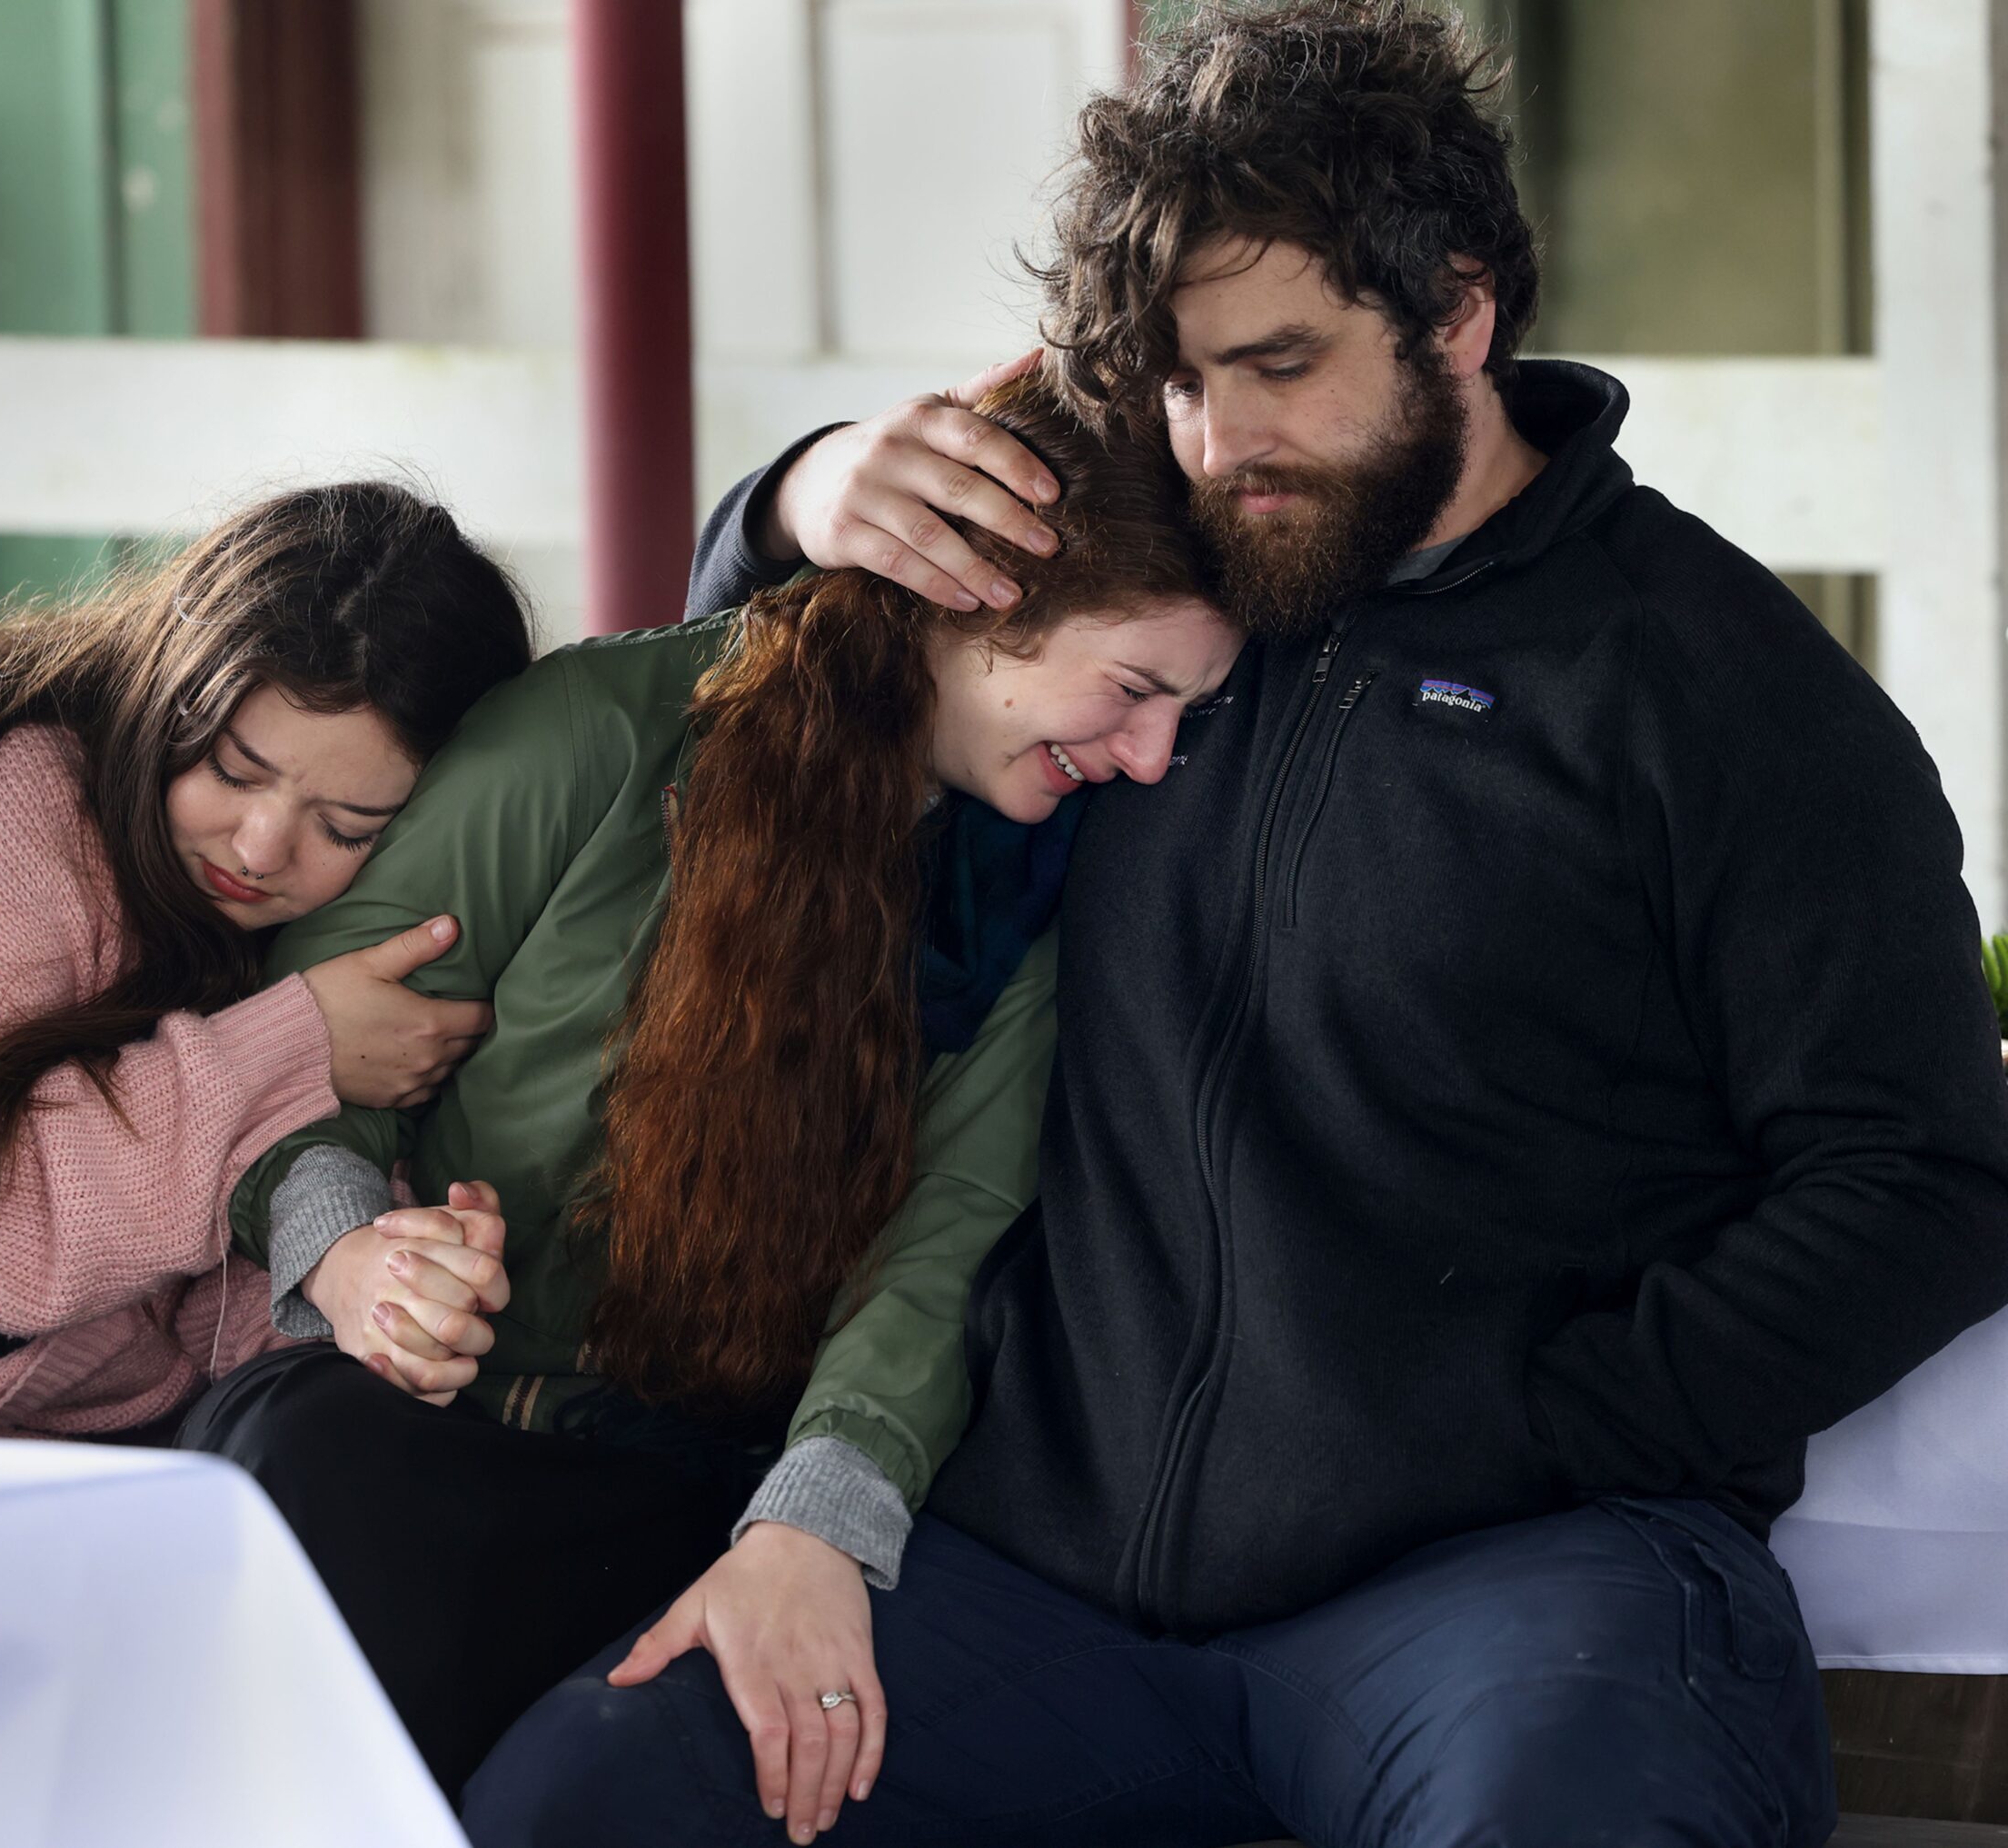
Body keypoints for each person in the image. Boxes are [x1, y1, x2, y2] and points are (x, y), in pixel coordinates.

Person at [464, 6, 2008, 1845]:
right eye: (1177, 381)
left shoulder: (1715, 688)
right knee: (587, 1799)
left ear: (1456, 311)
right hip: (1034, 1566)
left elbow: (1924, 1176)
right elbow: (791, 708)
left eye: (1278, 363)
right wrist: (792, 501)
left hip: (1508, 1582)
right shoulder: (1153, 559)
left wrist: (1552, 1422)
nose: (1216, 439)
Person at [177, 373, 1238, 1794]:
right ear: (982, 598)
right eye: (1135, 689)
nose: (1152, 757)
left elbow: (943, 1252)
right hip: (454, 1429)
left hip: (708, 1485)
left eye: (1188, 712)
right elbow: (308, 1044)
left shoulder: (1025, 903)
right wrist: (356, 1254)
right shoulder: (604, 732)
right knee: (292, 1452)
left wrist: (814, 1529)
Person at [0, 482, 532, 1440]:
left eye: (346, 826)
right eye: (233, 770)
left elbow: (166, 1306)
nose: (260, 848)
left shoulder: (303, 931)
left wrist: (383, 1286)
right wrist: (299, 1050)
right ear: (175, 688)